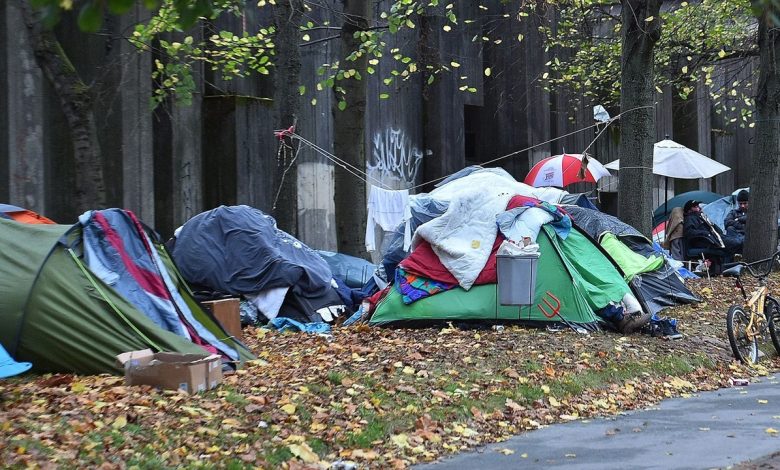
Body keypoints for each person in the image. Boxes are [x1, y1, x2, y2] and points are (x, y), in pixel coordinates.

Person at [683, 199, 741, 273]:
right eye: (695, 207)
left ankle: (727, 269)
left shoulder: (702, 217)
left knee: (735, 243)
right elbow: (689, 232)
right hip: (707, 241)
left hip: (716, 238)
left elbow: (716, 229)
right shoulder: (690, 218)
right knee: (737, 243)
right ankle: (728, 270)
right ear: (689, 210)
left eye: (698, 206)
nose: (699, 208)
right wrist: (706, 233)